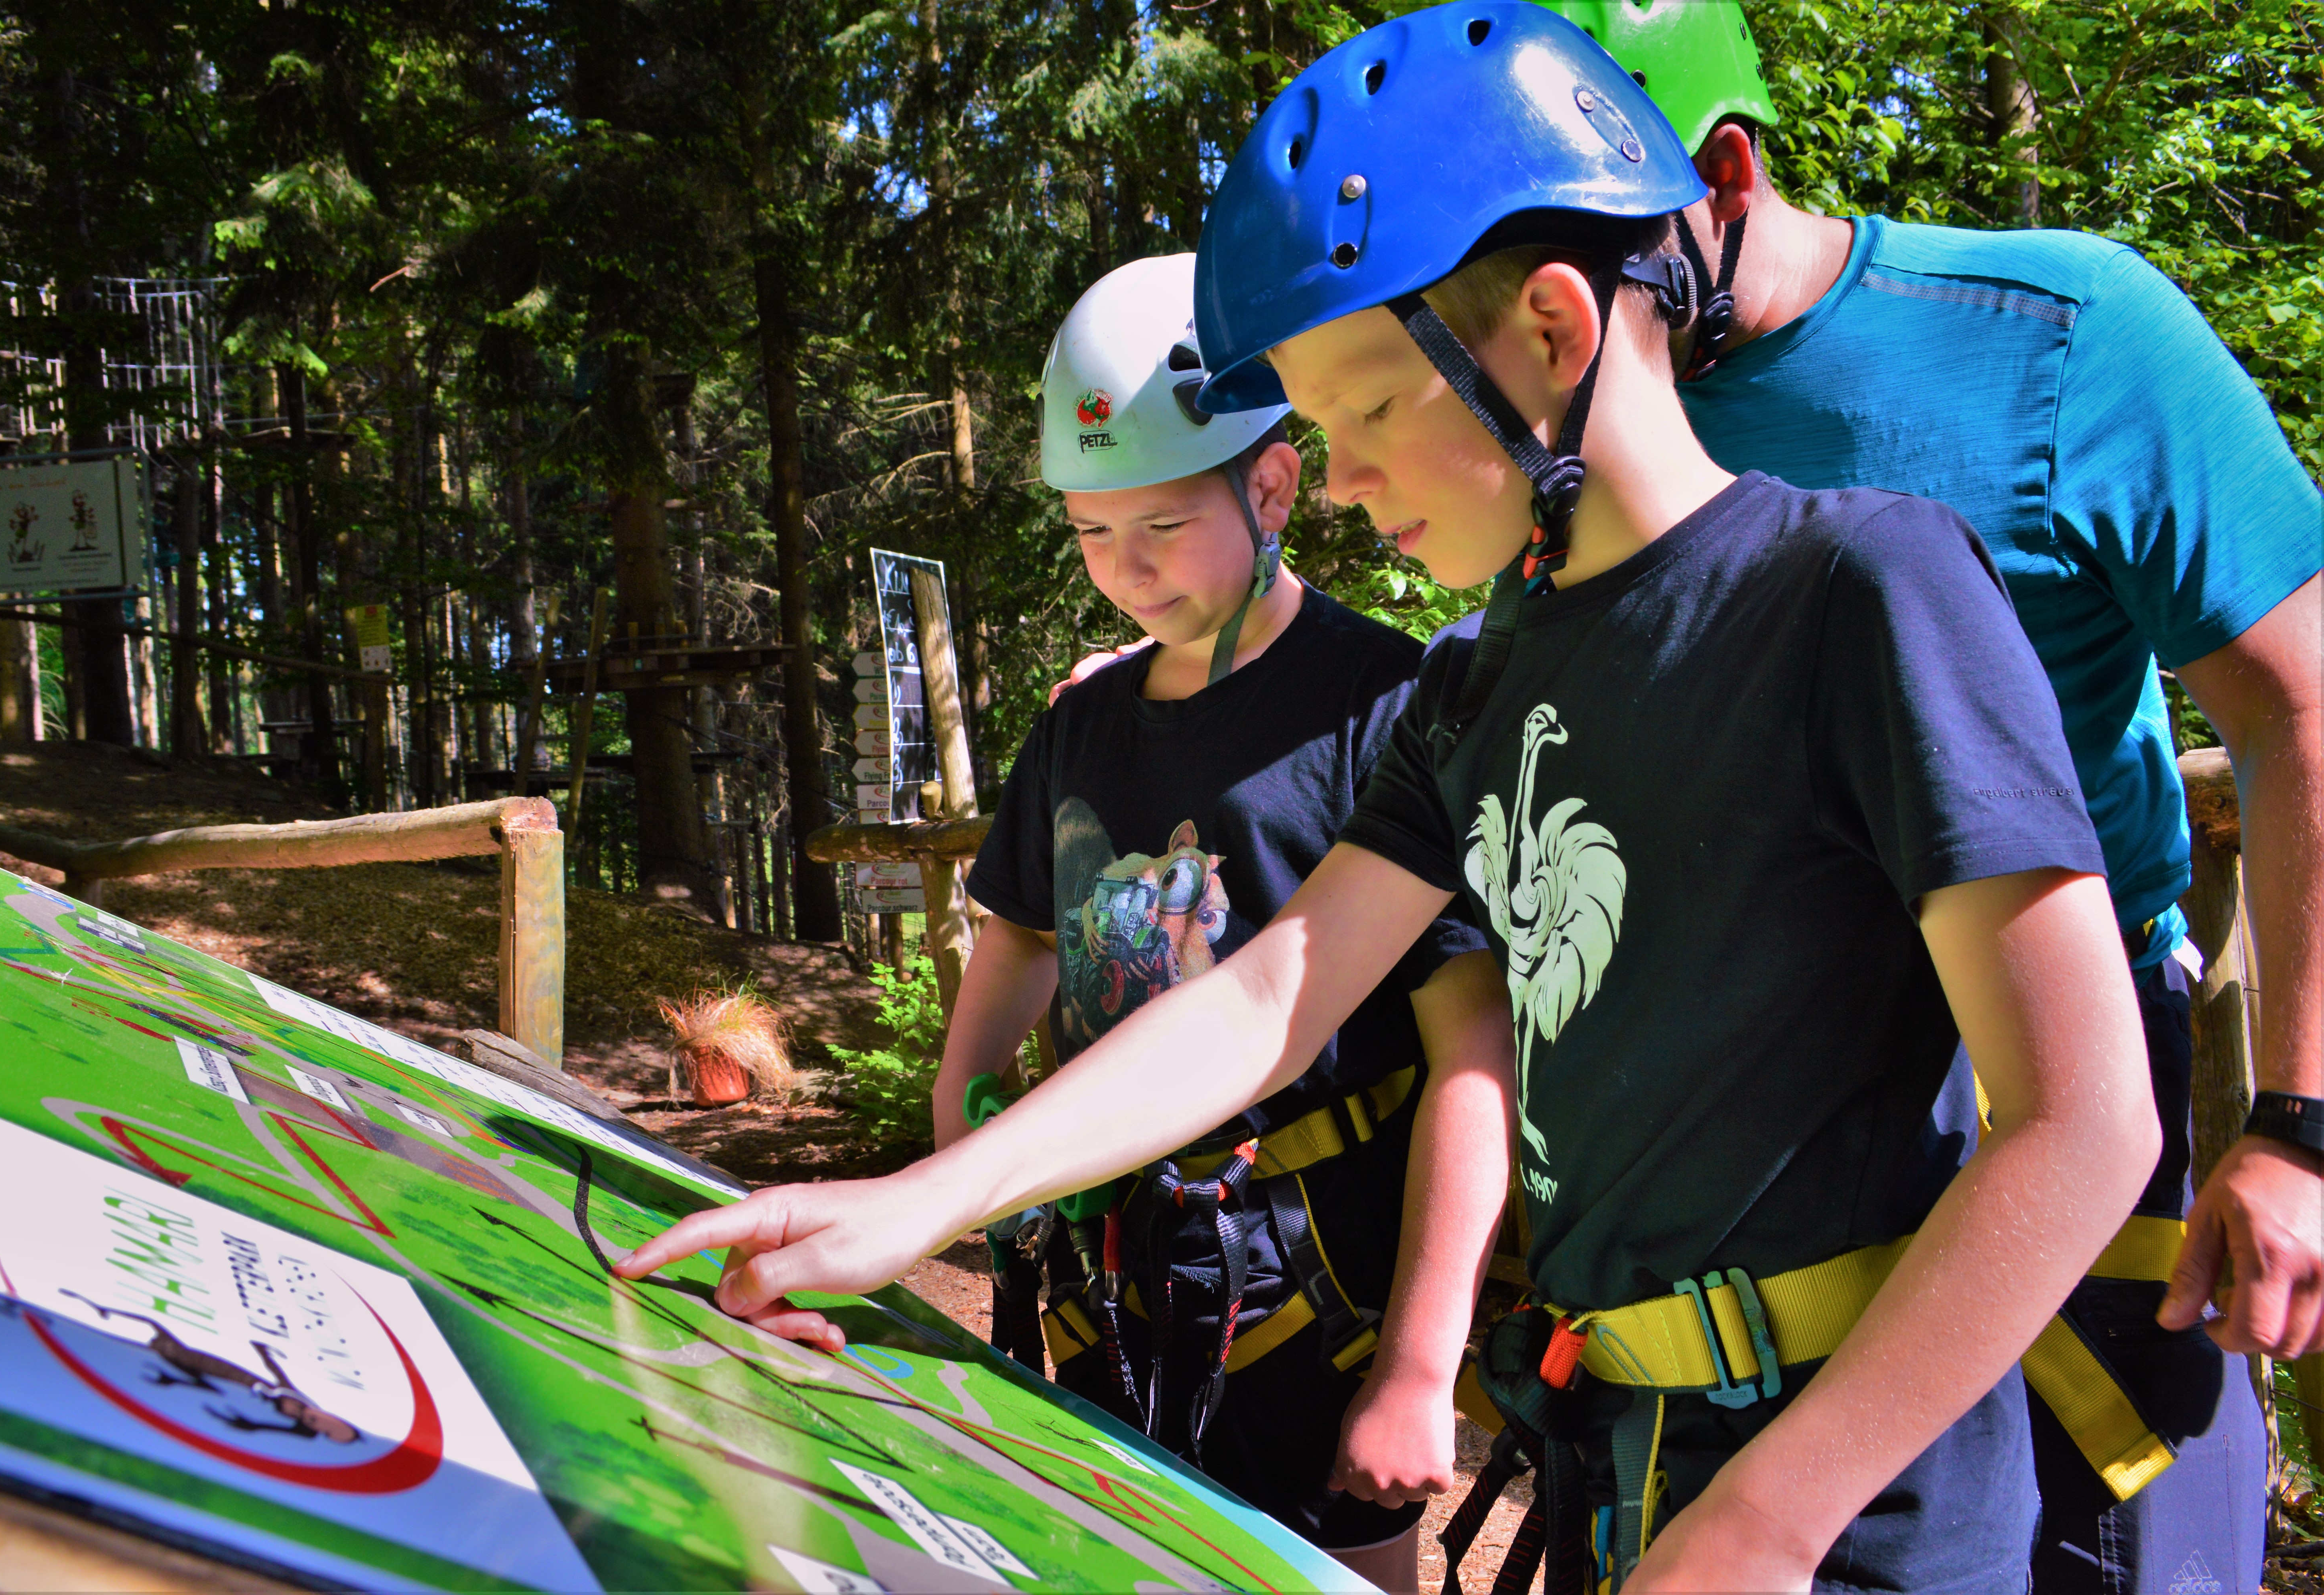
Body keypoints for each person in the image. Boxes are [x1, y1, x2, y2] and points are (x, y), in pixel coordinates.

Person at [618, 7, 2157, 1587]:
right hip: (1612, 1472)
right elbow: (1270, 992)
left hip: (1848, 1517)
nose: (1338, 481)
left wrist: (1773, 1512)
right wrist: (914, 1199)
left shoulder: (1859, 592)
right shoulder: (1477, 684)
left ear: (1550, 333)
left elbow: (2082, 1119)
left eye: (1361, 413)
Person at [1546, 3, 2322, 1585]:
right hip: (1737, 1135)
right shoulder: (1560, 427)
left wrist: (2302, 1125)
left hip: (2065, 1076)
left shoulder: (2060, 335)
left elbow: (2303, 702)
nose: (1545, 314)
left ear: (1725, 173)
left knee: (2104, 1549)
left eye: (1586, 246)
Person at [926, 252, 1511, 1593]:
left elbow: (1473, 1044)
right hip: (1106, 1275)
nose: (1126, 573)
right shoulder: (1082, 720)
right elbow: (1016, 933)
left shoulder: (1386, 707)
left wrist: (1426, 1360)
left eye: (1163, 526)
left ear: (1273, 484)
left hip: (1316, 1292)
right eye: (1090, 533)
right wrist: (963, 1109)